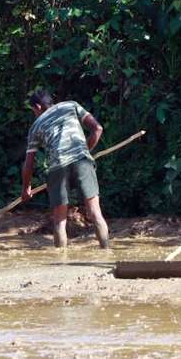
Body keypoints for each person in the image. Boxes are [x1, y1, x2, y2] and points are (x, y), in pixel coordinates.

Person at [21, 90, 110, 249]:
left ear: (38, 107)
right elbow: (98, 129)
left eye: (34, 110)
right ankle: (107, 253)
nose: (35, 114)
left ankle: (61, 260)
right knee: (95, 212)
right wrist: (85, 152)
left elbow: (29, 163)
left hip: (58, 167)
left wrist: (26, 188)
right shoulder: (71, 105)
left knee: (60, 221)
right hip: (82, 162)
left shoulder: (36, 126)